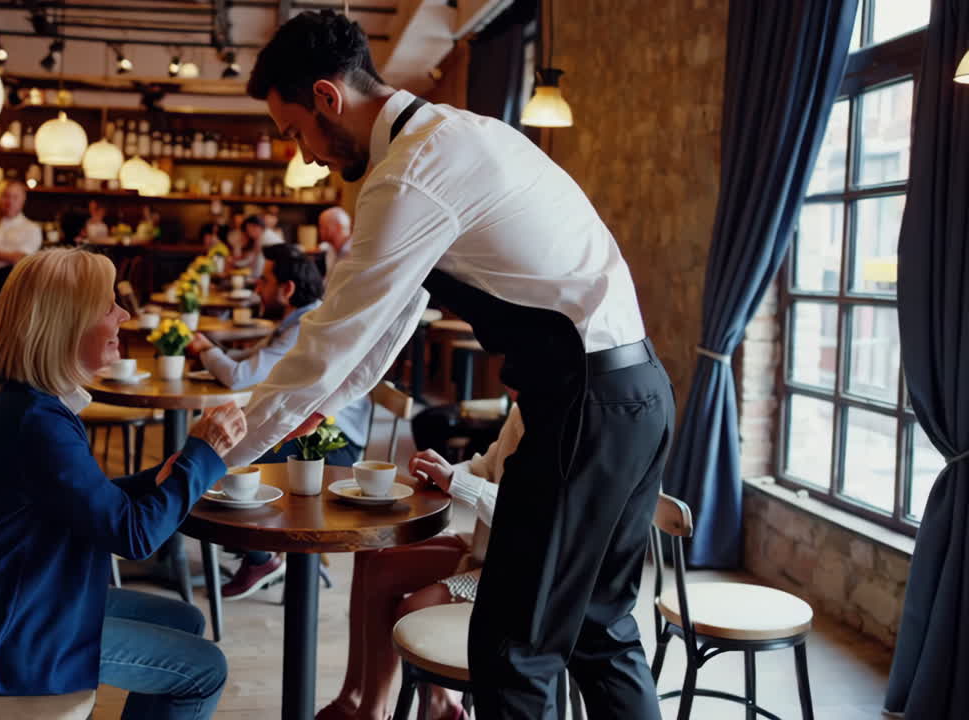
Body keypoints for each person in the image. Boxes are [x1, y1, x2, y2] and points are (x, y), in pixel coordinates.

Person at [238, 11, 674, 718]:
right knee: (600, 631)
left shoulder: (412, 174)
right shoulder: (459, 137)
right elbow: (383, 327)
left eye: (297, 133)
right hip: (638, 393)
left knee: (512, 652)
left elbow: (332, 337)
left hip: (582, 407)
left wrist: (221, 450)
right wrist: (321, 401)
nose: (308, 155)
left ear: (327, 97)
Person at [0, 248, 243, 719]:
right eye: (109, 306)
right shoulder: (38, 422)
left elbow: (87, 501)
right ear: (67, 324)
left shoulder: (32, 407)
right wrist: (202, 456)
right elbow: (134, 536)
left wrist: (164, 474)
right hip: (5, 637)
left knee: (187, 618)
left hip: (9, 608)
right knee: (205, 667)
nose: (123, 315)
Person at [187, 244, 370, 599]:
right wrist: (214, 351)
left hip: (332, 444)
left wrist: (208, 351)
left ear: (286, 289)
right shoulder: (300, 318)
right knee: (224, 446)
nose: (257, 287)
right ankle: (253, 539)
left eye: (265, 280)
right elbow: (255, 359)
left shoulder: (306, 325)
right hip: (313, 429)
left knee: (226, 463)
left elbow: (240, 376)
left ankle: (262, 556)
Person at [321, 404, 522, 720]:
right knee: (372, 557)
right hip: (489, 551)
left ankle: (438, 708)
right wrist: (445, 471)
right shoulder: (524, 407)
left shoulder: (562, 411)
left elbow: (533, 517)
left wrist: (456, 482)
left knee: (412, 607)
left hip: (523, 572)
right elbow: (486, 465)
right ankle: (363, 703)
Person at [317, 206, 352, 273]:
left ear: (338, 227)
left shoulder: (354, 251)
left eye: (323, 226)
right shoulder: (330, 249)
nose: (320, 231)